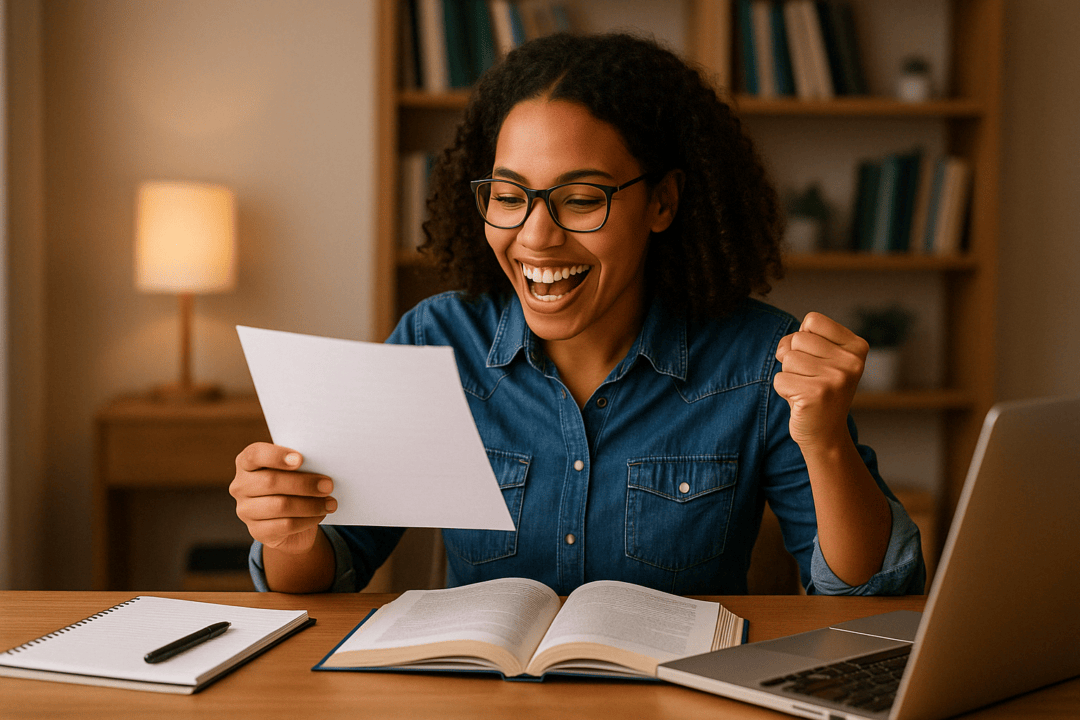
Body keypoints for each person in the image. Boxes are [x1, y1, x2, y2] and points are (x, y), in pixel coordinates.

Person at [230, 32, 925, 597]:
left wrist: (827, 442)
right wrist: (290, 535)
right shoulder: (436, 342)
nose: (536, 236)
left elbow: (869, 594)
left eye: (582, 198)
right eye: (509, 196)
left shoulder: (760, 360)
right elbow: (332, 569)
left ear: (662, 203)